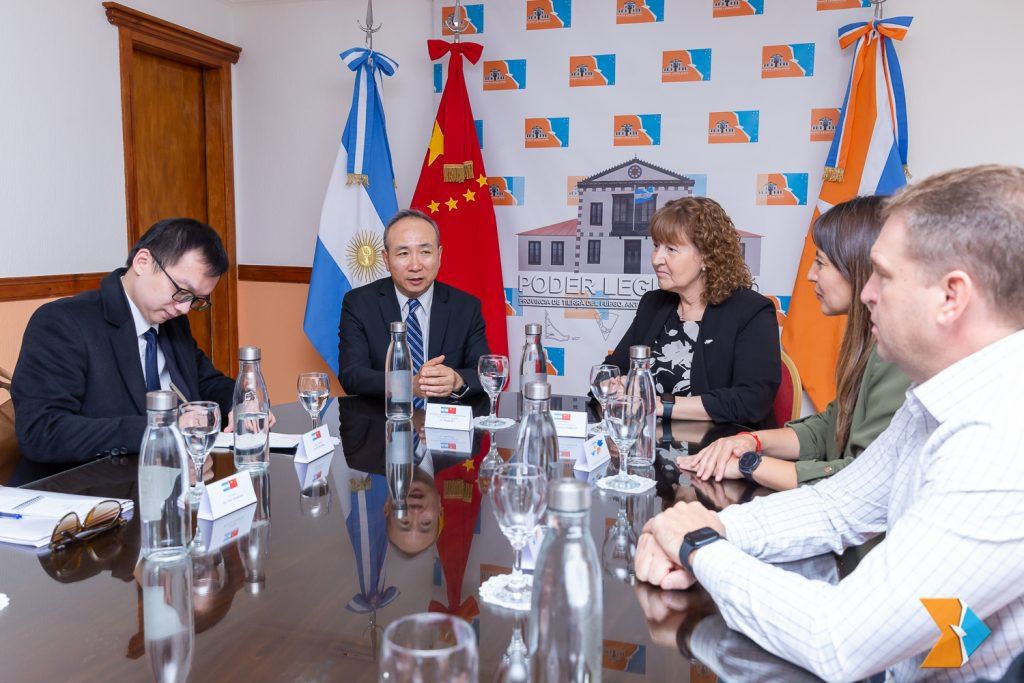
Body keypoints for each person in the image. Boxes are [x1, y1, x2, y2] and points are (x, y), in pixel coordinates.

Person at [633, 165, 1024, 681]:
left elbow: (839, 639)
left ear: (951, 296)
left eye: (883, 275)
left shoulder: (1001, 438)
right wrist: (715, 527)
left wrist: (697, 545)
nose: (866, 293)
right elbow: (838, 506)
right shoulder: (939, 395)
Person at [680, 196, 911, 490]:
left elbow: (862, 482)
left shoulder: (898, 355)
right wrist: (750, 441)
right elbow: (830, 427)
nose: (811, 275)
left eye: (821, 263)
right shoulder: (868, 341)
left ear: (860, 268)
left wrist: (750, 464)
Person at [11, 218, 240, 485]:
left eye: (196, 299)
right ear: (143, 262)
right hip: (82, 493)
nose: (184, 308)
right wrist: (159, 430)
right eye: (181, 291)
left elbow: (205, 381)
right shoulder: (63, 322)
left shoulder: (172, 322)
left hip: (171, 485)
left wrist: (241, 402)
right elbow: (42, 431)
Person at [604, 197, 780, 426]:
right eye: (656, 246)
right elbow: (613, 369)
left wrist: (659, 405)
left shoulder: (752, 311)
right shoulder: (653, 304)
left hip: (721, 444)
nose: (656, 259)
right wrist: (614, 386)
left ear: (706, 256)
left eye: (671, 249)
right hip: (651, 441)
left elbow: (751, 400)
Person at [338, 209, 490, 402]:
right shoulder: (359, 304)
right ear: (386, 259)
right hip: (383, 418)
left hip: (445, 418)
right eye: (403, 253)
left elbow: (484, 372)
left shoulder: (466, 307)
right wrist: (407, 385)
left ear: (439, 255)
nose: (415, 266)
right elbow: (352, 375)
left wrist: (457, 380)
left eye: (425, 252)